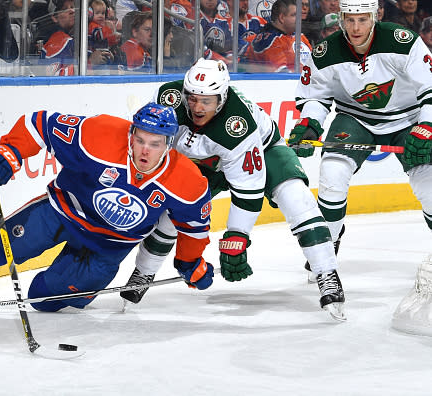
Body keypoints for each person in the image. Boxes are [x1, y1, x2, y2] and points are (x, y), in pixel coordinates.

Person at [0, 103, 214, 312]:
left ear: (168, 145)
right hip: (62, 212)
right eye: (140, 139)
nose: (145, 150)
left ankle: (68, 286)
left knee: (42, 299)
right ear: (130, 134)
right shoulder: (99, 135)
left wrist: (190, 262)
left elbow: (193, 228)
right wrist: (9, 154)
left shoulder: (187, 180)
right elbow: (39, 123)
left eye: (155, 143)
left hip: (107, 248)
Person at [121, 58, 346, 321]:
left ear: (223, 97)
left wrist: (236, 237)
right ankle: (143, 273)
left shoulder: (238, 125)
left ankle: (327, 274)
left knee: (297, 199)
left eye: (207, 101)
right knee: (171, 214)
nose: (197, 107)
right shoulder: (167, 98)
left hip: (263, 150)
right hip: (203, 164)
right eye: (192, 98)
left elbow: (247, 190)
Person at [288, 0, 432, 280]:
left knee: (429, 185)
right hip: (354, 119)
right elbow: (315, 96)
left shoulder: (402, 41)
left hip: (408, 119)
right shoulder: (325, 52)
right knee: (331, 174)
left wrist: (427, 126)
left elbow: (430, 87)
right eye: (350, 19)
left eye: (362, 19)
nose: (355, 27)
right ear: (341, 17)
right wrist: (310, 124)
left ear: (376, 16)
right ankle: (325, 252)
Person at [244, 0, 312, 73]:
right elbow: (282, 75)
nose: (299, 19)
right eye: (294, 15)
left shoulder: (299, 35)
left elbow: (314, 62)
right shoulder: (271, 41)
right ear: (281, 17)